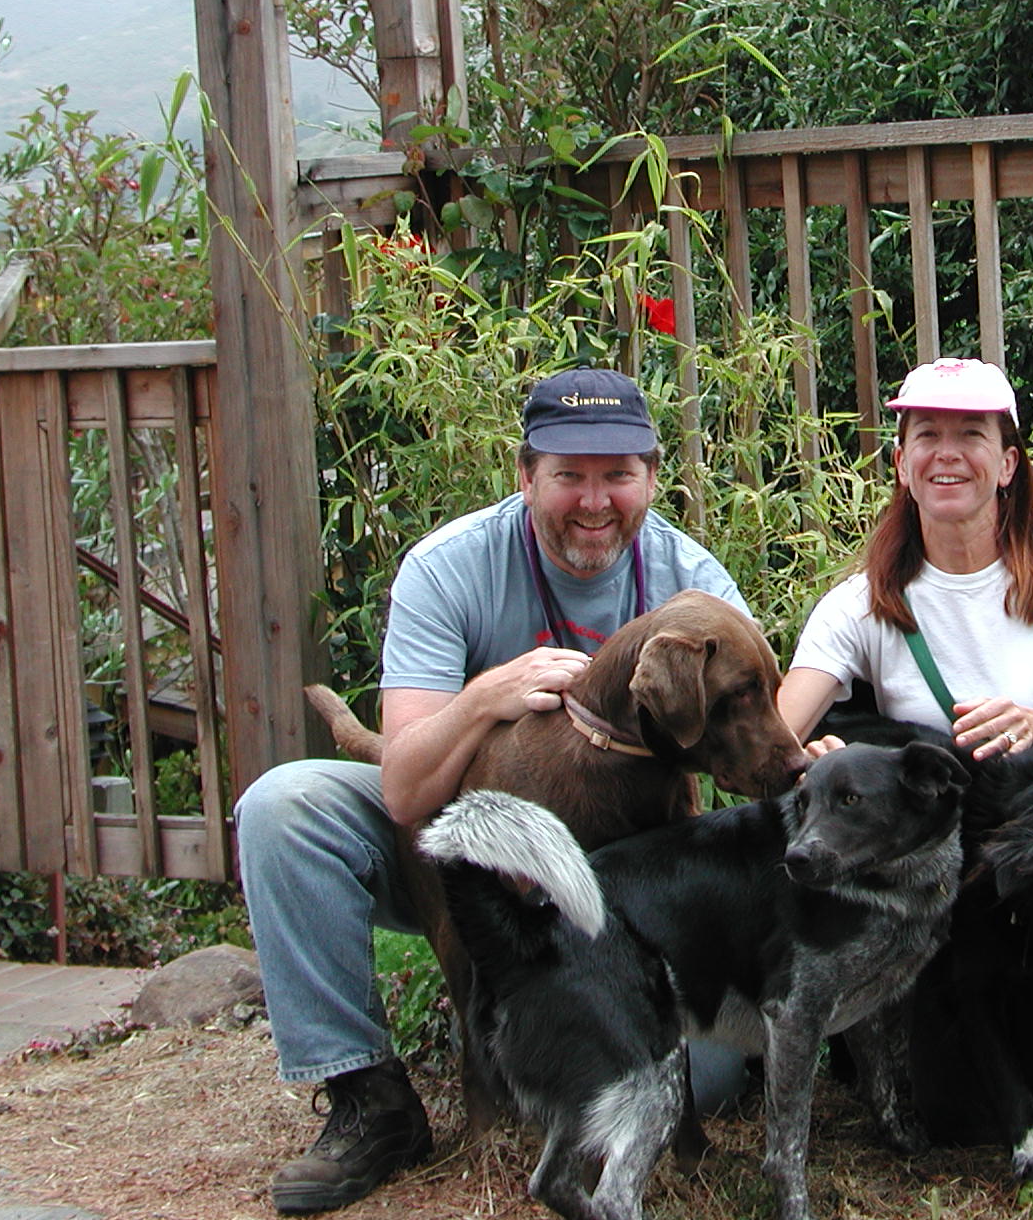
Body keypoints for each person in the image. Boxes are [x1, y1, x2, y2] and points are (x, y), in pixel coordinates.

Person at [235, 367, 750, 1216]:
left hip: (620, 871)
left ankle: (550, 1030)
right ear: (525, 476)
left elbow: (742, 739)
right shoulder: (451, 567)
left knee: (718, 1079)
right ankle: (369, 1099)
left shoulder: (689, 582)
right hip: (456, 849)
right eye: (569, 475)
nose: (595, 501)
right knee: (284, 809)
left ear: (652, 477)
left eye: (618, 475)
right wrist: (486, 696)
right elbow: (405, 787)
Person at [777, 356, 1033, 788]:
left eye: (971, 434)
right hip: (934, 831)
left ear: (1007, 464)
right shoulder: (860, 603)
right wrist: (812, 765)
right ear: (901, 464)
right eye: (927, 434)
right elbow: (773, 743)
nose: (947, 454)